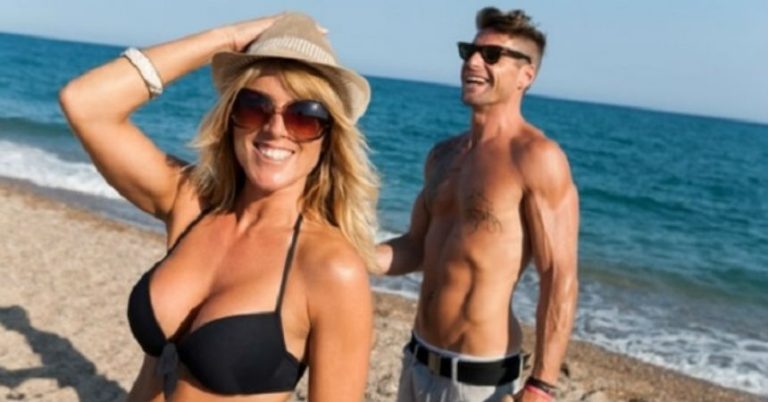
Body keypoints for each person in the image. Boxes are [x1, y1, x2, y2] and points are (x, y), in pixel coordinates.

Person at [59, 13, 378, 402]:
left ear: (328, 137)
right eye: (254, 107)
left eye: (304, 117)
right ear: (230, 119)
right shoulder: (192, 203)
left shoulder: (330, 267)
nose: (275, 129)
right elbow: (85, 103)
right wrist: (227, 38)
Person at [373, 7, 579, 402]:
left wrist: (542, 384)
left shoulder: (537, 158)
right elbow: (416, 246)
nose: (472, 62)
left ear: (526, 76)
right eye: (469, 51)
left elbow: (558, 276)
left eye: (492, 55)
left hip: (478, 383)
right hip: (415, 361)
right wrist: (352, 252)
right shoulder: (443, 155)